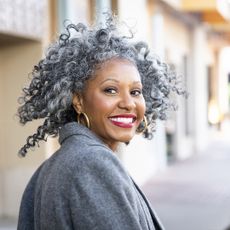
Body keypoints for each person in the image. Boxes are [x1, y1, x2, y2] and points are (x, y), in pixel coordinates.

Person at [17, 15, 186, 230]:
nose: (128, 103)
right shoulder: (92, 164)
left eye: (136, 92)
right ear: (78, 101)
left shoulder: (48, 169)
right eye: (110, 90)